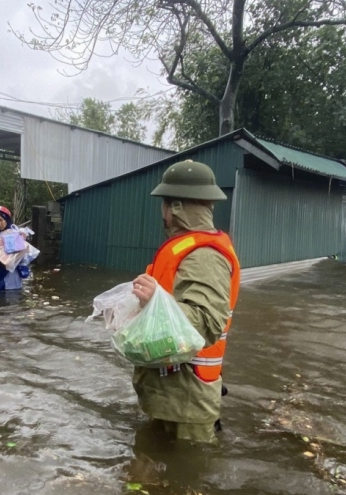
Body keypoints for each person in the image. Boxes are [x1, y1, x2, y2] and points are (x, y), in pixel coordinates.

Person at [129, 160, 241, 443]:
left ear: (175, 207)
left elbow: (205, 323)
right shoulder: (186, 248)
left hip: (187, 397)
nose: (162, 212)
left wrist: (155, 300)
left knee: (186, 478)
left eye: (164, 204)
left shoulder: (204, 256)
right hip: (173, 393)